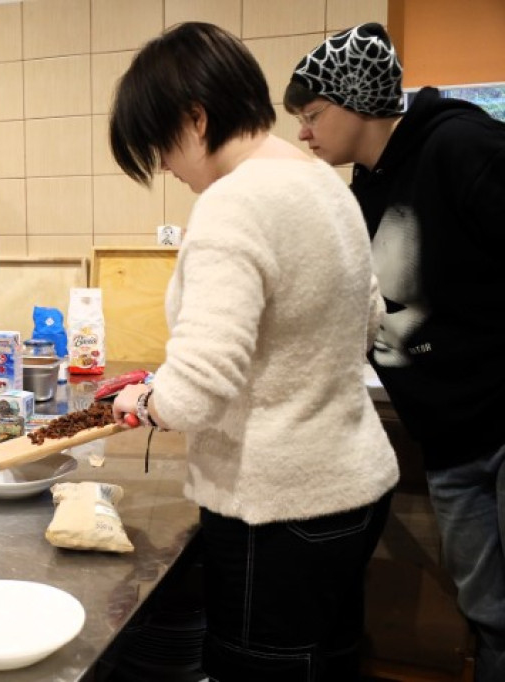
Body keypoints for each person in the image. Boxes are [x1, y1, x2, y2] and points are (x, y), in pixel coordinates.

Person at [107, 23, 399, 681]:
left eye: (159, 146)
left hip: (278, 505)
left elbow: (194, 393)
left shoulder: (232, 203)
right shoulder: (324, 183)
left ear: (196, 117)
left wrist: (145, 398)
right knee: (328, 662)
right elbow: (367, 312)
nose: (165, 168)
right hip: (352, 486)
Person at [284, 23, 505, 681]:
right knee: (487, 609)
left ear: (355, 98)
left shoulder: (464, 147)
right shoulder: (364, 192)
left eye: (312, 114)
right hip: (448, 440)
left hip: (501, 422)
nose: (304, 133)